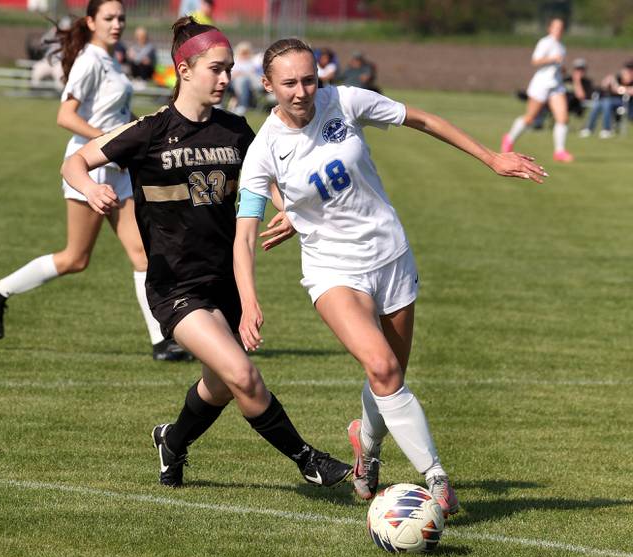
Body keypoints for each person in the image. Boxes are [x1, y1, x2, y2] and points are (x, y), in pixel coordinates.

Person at [234, 38, 547, 516]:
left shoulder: (345, 101)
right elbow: (244, 234)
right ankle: (436, 478)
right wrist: (249, 299)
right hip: (332, 270)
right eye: (290, 82)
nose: (302, 91)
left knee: (390, 374)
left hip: (392, 255)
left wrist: (493, 158)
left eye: (309, 79)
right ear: (268, 85)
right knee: (382, 368)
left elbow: (422, 119)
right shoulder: (263, 153)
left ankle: (367, 448)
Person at [61, 17, 352, 488]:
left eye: (230, 69)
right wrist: (90, 191)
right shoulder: (149, 131)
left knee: (217, 385)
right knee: (242, 375)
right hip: (175, 286)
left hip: (224, 282)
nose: (225, 79)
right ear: (184, 70)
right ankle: (308, 460)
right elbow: (74, 160)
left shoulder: (236, 131)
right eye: (216, 69)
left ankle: (172, 441)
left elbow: (269, 180)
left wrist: (290, 210)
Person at [0, 0, 188, 362]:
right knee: (76, 258)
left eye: (121, 17)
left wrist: (140, 132)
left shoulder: (109, 59)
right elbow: (65, 116)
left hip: (117, 169)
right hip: (89, 168)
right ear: (91, 21)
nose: (117, 24)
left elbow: (115, 115)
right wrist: (107, 144)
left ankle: (162, 343)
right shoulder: (90, 60)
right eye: (109, 18)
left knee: (142, 255)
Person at [501, 18, 573, 163]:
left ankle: (559, 151)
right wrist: (552, 59)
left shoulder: (561, 46)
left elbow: (558, 65)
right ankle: (509, 138)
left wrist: (562, 69)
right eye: (556, 27)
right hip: (541, 84)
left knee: (563, 118)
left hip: (556, 85)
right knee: (530, 118)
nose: (559, 30)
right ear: (550, 28)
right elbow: (535, 61)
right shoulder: (545, 42)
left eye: (561, 28)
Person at [580, 61, 633, 139]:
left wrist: (617, 88)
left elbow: (629, 91)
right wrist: (607, 82)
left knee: (606, 103)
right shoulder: (617, 78)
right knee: (598, 104)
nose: (627, 72)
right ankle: (589, 128)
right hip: (610, 100)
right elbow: (603, 87)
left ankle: (607, 129)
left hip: (624, 102)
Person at [228, 41, 261, 115]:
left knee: (251, 78)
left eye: (247, 52)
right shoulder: (235, 61)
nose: (245, 54)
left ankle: (269, 91)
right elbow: (231, 74)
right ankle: (242, 106)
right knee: (242, 80)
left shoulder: (252, 61)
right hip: (237, 82)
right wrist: (241, 73)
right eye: (243, 52)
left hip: (252, 81)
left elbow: (256, 72)